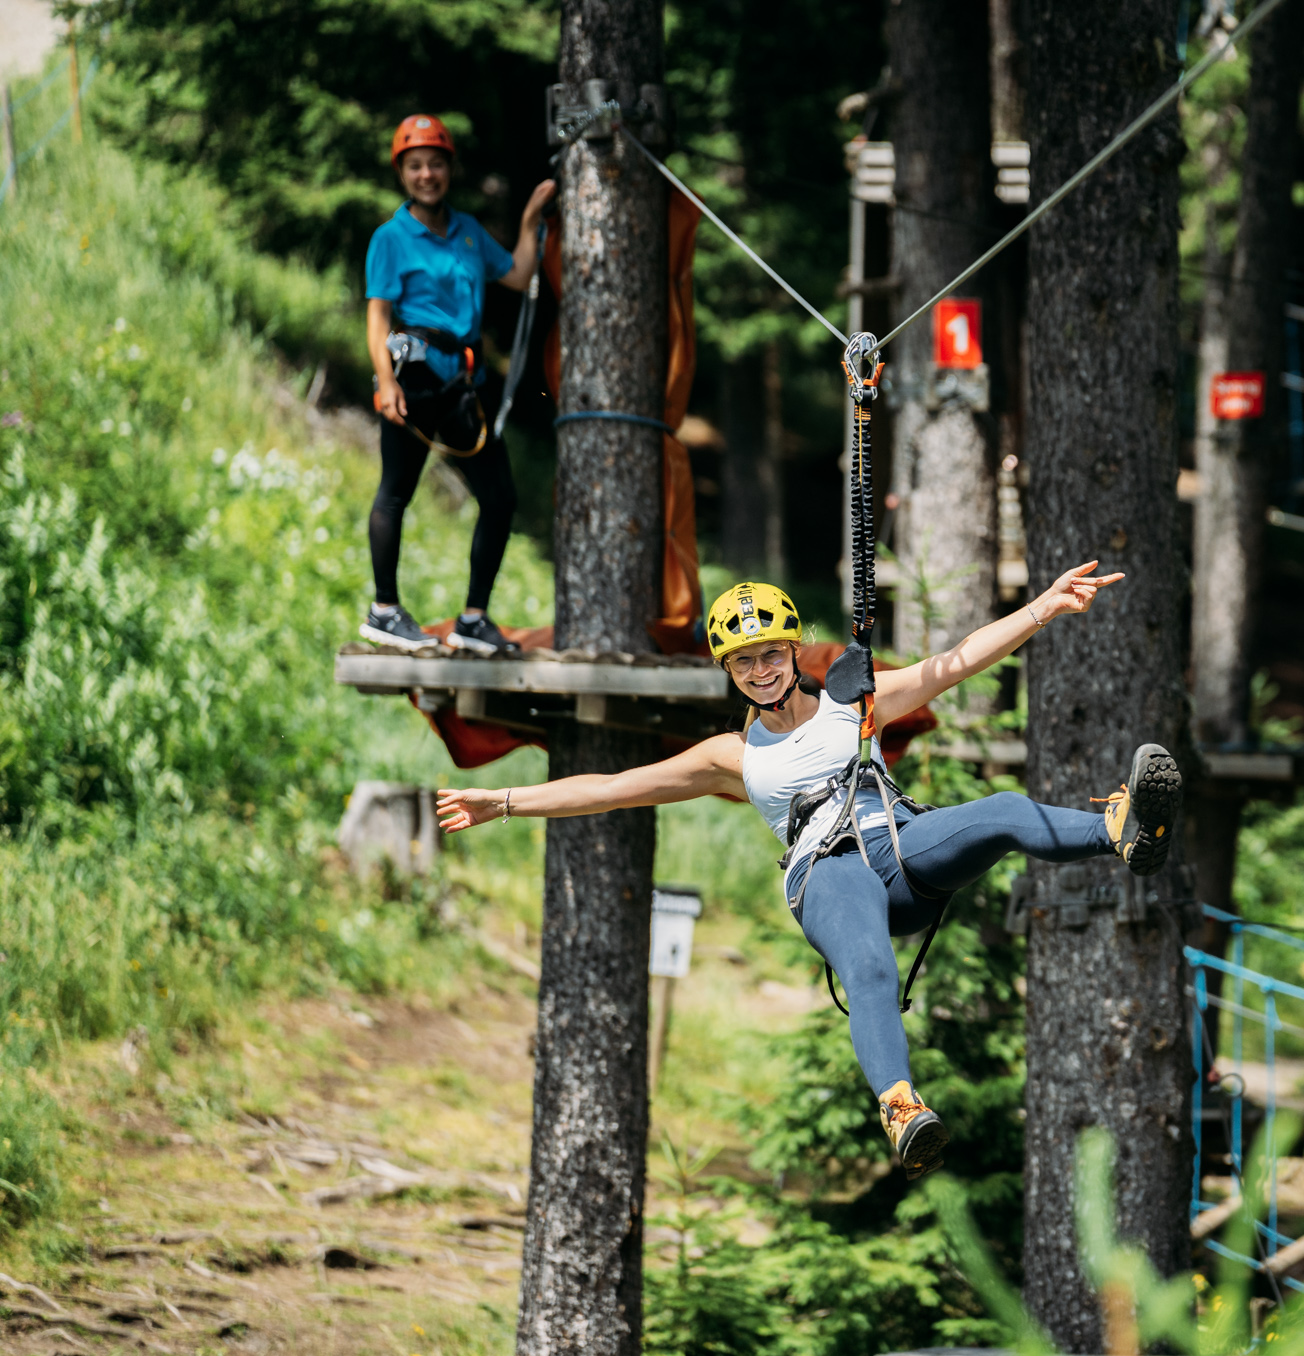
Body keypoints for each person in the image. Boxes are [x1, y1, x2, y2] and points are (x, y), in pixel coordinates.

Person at [435, 566, 1184, 1179]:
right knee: (869, 967)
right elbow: (608, 787)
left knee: (1002, 808)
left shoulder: (853, 705)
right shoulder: (732, 758)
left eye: (770, 654)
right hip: (828, 876)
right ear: (730, 672)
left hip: (899, 849)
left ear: (794, 652)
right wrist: (502, 800)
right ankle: (900, 1105)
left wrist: (1041, 609)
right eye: (744, 662)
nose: (760, 670)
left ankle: (1120, 831)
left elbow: (954, 662)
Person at [359, 114, 556, 656]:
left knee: (499, 495)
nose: (427, 174)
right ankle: (384, 611)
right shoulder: (391, 238)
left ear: (449, 169)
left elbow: (516, 275)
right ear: (403, 173)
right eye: (416, 165)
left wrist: (531, 218)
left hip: (463, 386)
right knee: (395, 490)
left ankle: (473, 620)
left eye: (436, 164)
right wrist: (385, 383)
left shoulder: (469, 231)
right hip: (414, 379)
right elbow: (377, 319)